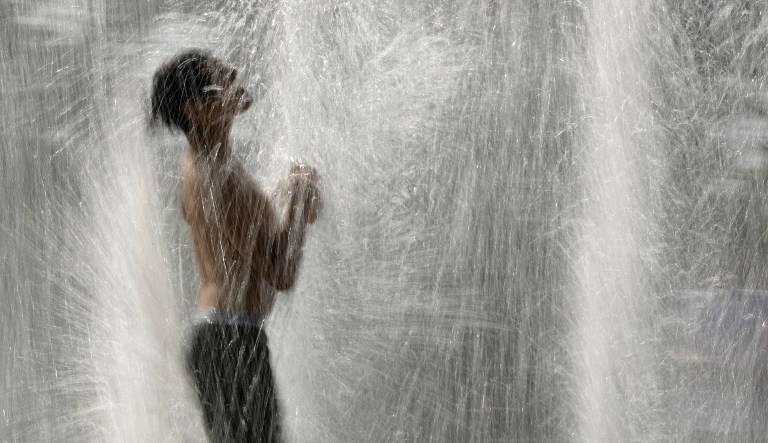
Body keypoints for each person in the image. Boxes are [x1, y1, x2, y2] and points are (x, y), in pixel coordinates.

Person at [151, 49, 321, 442]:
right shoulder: (215, 176)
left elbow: (242, 237)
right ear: (196, 109)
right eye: (218, 76)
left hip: (226, 339)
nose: (232, 73)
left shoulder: (215, 163)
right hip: (230, 341)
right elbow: (280, 272)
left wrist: (288, 194)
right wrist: (295, 202)